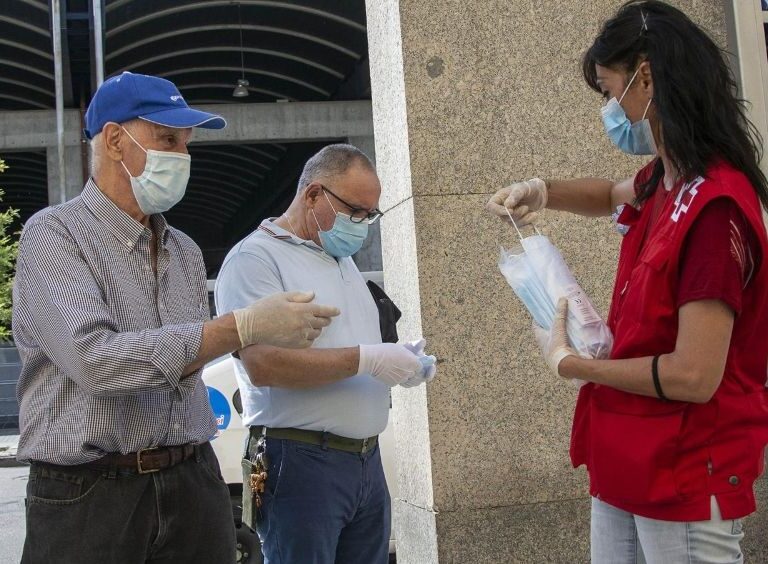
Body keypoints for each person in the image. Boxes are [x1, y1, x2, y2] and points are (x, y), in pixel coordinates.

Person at [13, 72, 339, 564]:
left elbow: (188, 363)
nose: (182, 158)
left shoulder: (183, 251)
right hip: (89, 492)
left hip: (191, 478)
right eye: (167, 140)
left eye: (186, 145)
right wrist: (241, 326)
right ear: (116, 140)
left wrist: (248, 335)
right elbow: (95, 363)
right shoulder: (55, 237)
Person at [486, 2, 768, 562]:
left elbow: (693, 375)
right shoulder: (666, 181)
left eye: (612, 91)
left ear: (647, 78)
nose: (611, 110)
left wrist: (574, 364)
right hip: (628, 456)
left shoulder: (713, 211)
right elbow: (613, 193)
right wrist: (543, 190)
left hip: (686, 470)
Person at [215, 144, 436, 564]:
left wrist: (396, 359)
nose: (362, 225)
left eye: (370, 215)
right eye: (355, 211)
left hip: (365, 460)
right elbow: (262, 365)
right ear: (313, 195)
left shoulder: (340, 258)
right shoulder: (255, 260)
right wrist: (368, 359)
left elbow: (347, 342)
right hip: (300, 460)